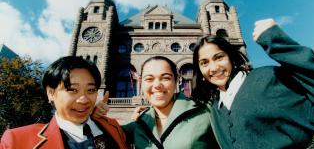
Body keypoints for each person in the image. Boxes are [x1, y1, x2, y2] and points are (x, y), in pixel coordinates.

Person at [192, 18, 314, 148]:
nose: (214, 68)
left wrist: (278, 43)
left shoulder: (268, 79)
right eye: (204, 63)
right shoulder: (216, 108)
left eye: (219, 57)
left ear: (231, 58)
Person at [1, 56, 129, 149]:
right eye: (72, 90)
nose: (84, 99)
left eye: (90, 90)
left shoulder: (113, 127)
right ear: (50, 93)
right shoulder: (16, 141)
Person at [97, 56, 219, 149]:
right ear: (141, 82)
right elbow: (99, 137)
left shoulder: (206, 113)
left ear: (176, 80)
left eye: (165, 78)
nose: (157, 85)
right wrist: (93, 115)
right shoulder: (139, 124)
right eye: (149, 79)